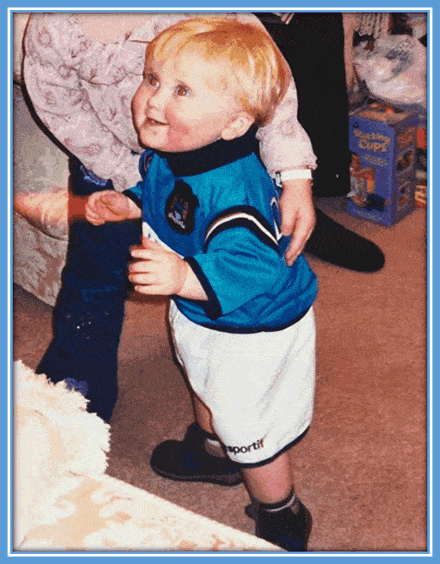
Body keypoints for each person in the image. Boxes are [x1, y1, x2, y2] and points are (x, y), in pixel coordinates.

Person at [84, 17, 317, 551]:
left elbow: (260, 266)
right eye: (153, 78)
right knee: (200, 375)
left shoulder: (233, 192)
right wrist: (131, 202)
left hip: (254, 328)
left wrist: (182, 276)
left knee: (248, 422)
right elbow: (164, 195)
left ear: (235, 124)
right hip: (207, 312)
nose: (151, 99)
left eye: (182, 90)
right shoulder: (177, 154)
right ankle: (214, 454)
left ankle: (279, 508)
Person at [23, 12, 318, 424]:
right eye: (152, 81)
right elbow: (59, 107)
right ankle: (76, 394)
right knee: (91, 280)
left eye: (174, 87)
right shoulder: (56, 24)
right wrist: (133, 188)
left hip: (210, 155)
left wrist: (295, 174)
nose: (154, 99)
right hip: (111, 162)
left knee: (221, 257)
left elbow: (267, 78)